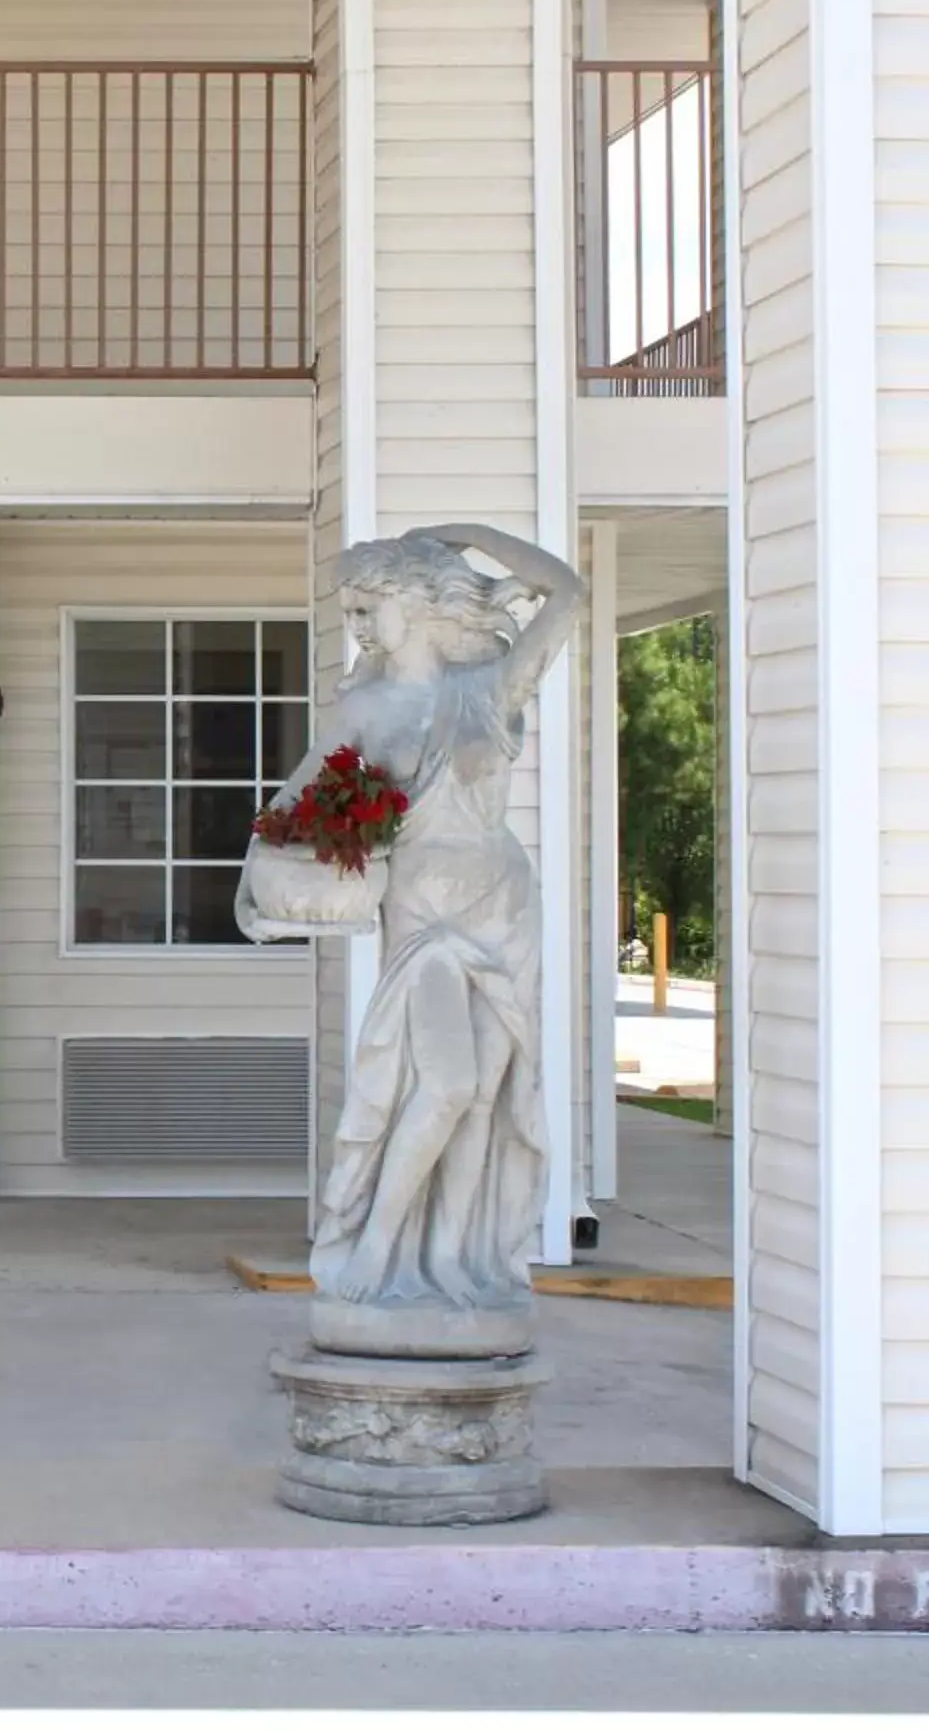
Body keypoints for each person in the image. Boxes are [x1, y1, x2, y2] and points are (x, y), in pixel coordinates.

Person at [263, 523, 583, 1322]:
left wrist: (473, 539)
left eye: (370, 608)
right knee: (445, 1084)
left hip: (502, 905)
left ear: (414, 601)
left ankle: (449, 1257)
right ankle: (375, 1242)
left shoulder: (488, 690)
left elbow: (569, 594)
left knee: (486, 1095)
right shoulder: (365, 707)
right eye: (354, 612)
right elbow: (289, 810)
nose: (360, 626)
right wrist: (269, 886)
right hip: (425, 916)